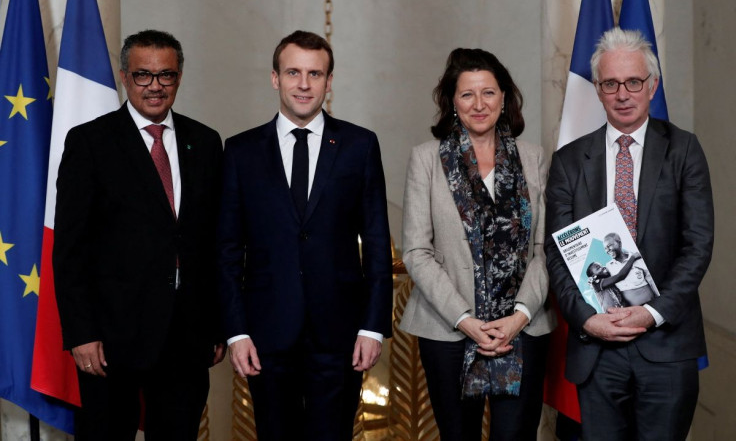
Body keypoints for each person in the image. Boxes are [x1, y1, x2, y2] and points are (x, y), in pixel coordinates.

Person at [217, 30, 393, 440]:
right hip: (265, 334)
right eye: (293, 72)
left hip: (341, 335)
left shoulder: (359, 145)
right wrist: (236, 331)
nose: (304, 84)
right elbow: (226, 249)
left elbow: (378, 242)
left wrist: (372, 327)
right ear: (275, 78)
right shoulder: (240, 151)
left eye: (315, 74)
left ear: (329, 81)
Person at [53, 30, 225, 440]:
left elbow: (216, 242)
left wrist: (218, 325)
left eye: (165, 76)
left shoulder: (205, 141)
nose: (155, 87)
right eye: (143, 75)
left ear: (179, 77)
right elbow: (70, 248)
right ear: (124, 77)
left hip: (186, 336)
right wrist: (82, 333)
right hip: (111, 338)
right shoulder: (90, 142)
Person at [545, 27, 714, 441]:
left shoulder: (684, 149)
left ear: (651, 86)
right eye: (610, 83)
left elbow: (697, 245)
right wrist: (587, 320)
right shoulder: (568, 161)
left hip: (667, 345)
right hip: (596, 350)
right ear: (598, 91)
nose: (623, 93)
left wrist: (651, 312)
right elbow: (556, 253)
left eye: (633, 82)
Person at [400, 48, 556, 441]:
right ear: (452, 101)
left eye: (488, 92)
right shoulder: (426, 159)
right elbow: (416, 251)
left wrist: (519, 316)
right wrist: (466, 320)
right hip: (449, 329)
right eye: (467, 94)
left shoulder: (533, 158)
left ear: (504, 97)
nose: (479, 104)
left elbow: (546, 248)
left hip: (523, 328)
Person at [603, 232, 657, 306]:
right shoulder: (608, 266)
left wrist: (659, 298)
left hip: (651, 302)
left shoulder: (637, 258)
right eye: (605, 248)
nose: (607, 250)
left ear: (619, 243)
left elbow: (650, 279)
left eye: (609, 245)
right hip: (633, 310)